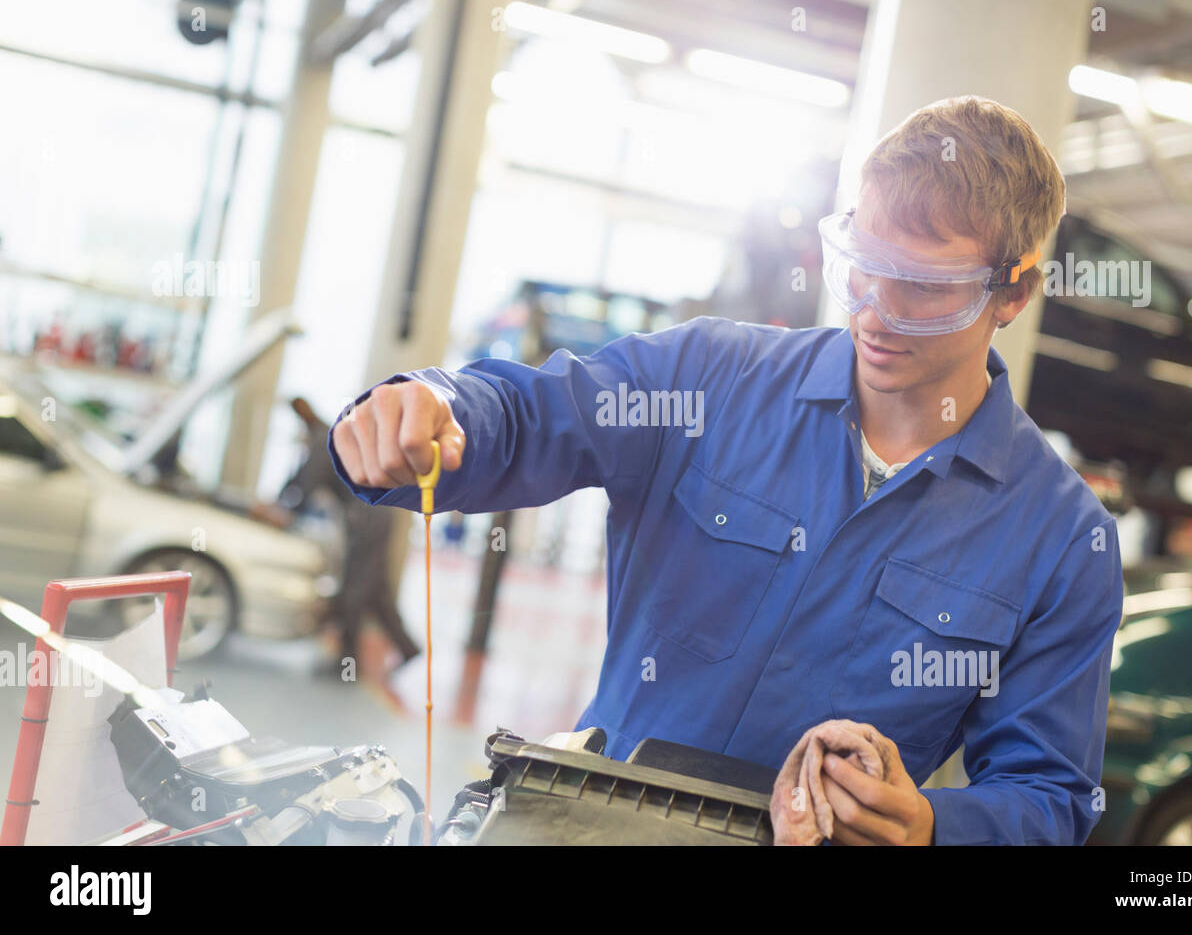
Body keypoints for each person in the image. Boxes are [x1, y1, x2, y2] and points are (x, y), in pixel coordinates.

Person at [328, 96, 1124, 845]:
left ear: (1013, 290)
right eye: (861, 265)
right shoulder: (710, 380)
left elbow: (1050, 795)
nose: (874, 310)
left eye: (921, 287)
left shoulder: (1060, 540)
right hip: (595, 827)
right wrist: (436, 406)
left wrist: (928, 828)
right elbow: (535, 417)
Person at [267, 397, 421, 681]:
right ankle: (409, 648)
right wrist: (282, 503)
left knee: (352, 593)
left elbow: (307, 482)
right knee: (375, 590)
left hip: (367, 516)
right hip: (374, 513)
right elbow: (299, 479)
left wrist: (287, 510)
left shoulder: (320, 440)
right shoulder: (324, 436)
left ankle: (347, 667)